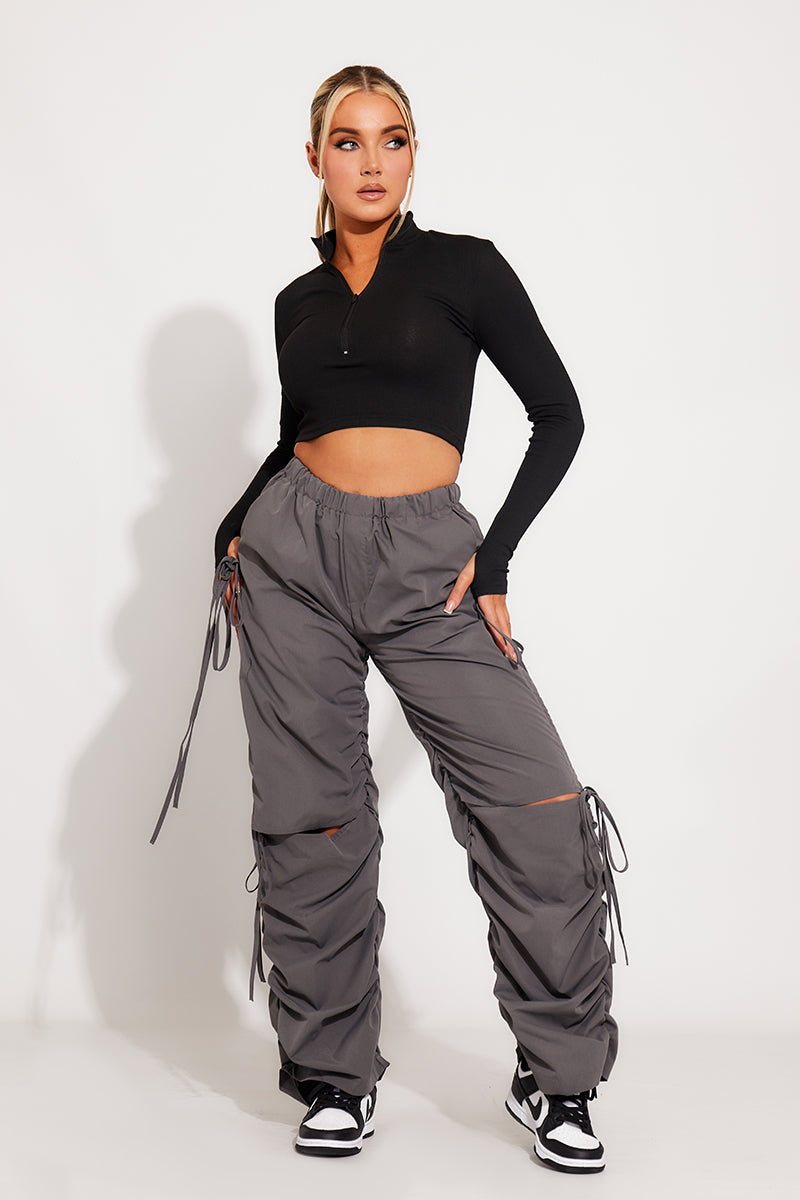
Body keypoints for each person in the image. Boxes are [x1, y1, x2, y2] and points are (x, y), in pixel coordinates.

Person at [152, 64, 630, 1174]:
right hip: (291, 562)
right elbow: (301, 435)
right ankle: (333, 1074)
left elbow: (558, 415)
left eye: (393, 139)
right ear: (314, 158)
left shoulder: (465, 268)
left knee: (535, 808)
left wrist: (494, 558)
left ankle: (556, 1077)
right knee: (311, 819)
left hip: (430, 564)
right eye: (348, 140)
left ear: (414, 154)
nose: (372, 162)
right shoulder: (297, 300)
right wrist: (235, 529)